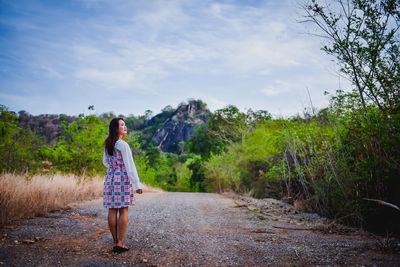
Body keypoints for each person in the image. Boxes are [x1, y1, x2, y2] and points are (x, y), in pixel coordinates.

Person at [102, 117, 144, 253]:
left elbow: (105, 162)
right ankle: (120, 243)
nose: (125, 127)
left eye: (125, 125)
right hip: (122, 178)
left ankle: (114, 242)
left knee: (112, 209)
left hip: (110, 178)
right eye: (122, 125)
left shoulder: (108, 143)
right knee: (123, 210)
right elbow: (130, 166)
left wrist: (113, 168)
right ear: (116, 128)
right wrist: (137, 184)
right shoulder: (123, 145)